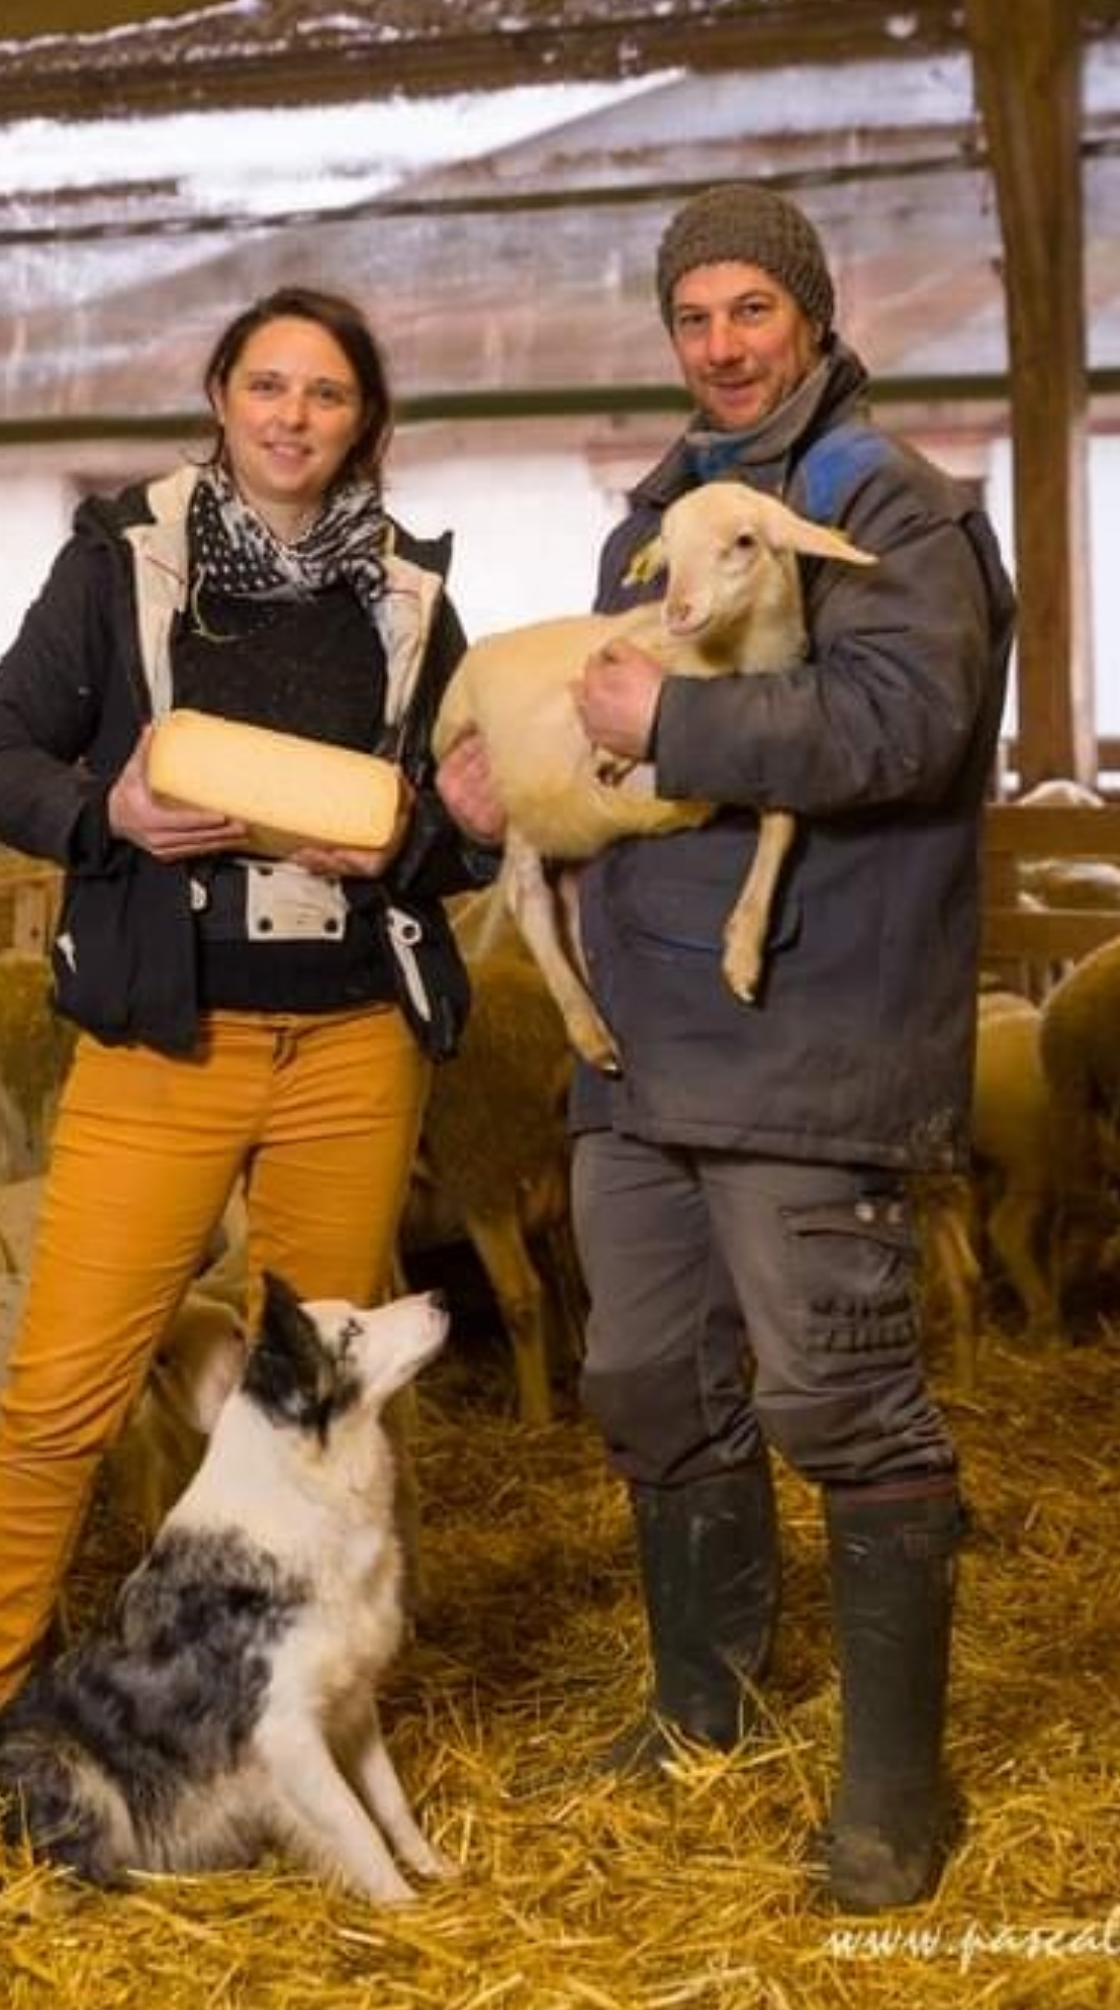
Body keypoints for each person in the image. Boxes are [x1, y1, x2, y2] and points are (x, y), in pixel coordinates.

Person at [438, 184, 1015, 1912]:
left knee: (835, 1389)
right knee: (645, 1387)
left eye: (751, 307)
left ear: (817, 317)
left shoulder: (891, 510)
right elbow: (598, 749)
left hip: (810, 1027)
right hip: (642, 1046)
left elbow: (907, 722)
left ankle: (893, 1796)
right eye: (693, 317)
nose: (722, 343)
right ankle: (706, 1708)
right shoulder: (663, 518)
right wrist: (497, 793)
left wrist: (669, 711)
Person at [0, 286, 488, 1813]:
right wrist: (112, 819)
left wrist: (413, 836)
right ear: (222, 394)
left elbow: (467, 832)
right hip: (169, 1041)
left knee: (326, 1400)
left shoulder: (411, 598)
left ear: (366, 422)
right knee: (63, 1392)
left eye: (330, 395)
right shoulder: (124, 563)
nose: (295, 418)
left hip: (355, 1041)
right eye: (269, 386)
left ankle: (300, 1722)